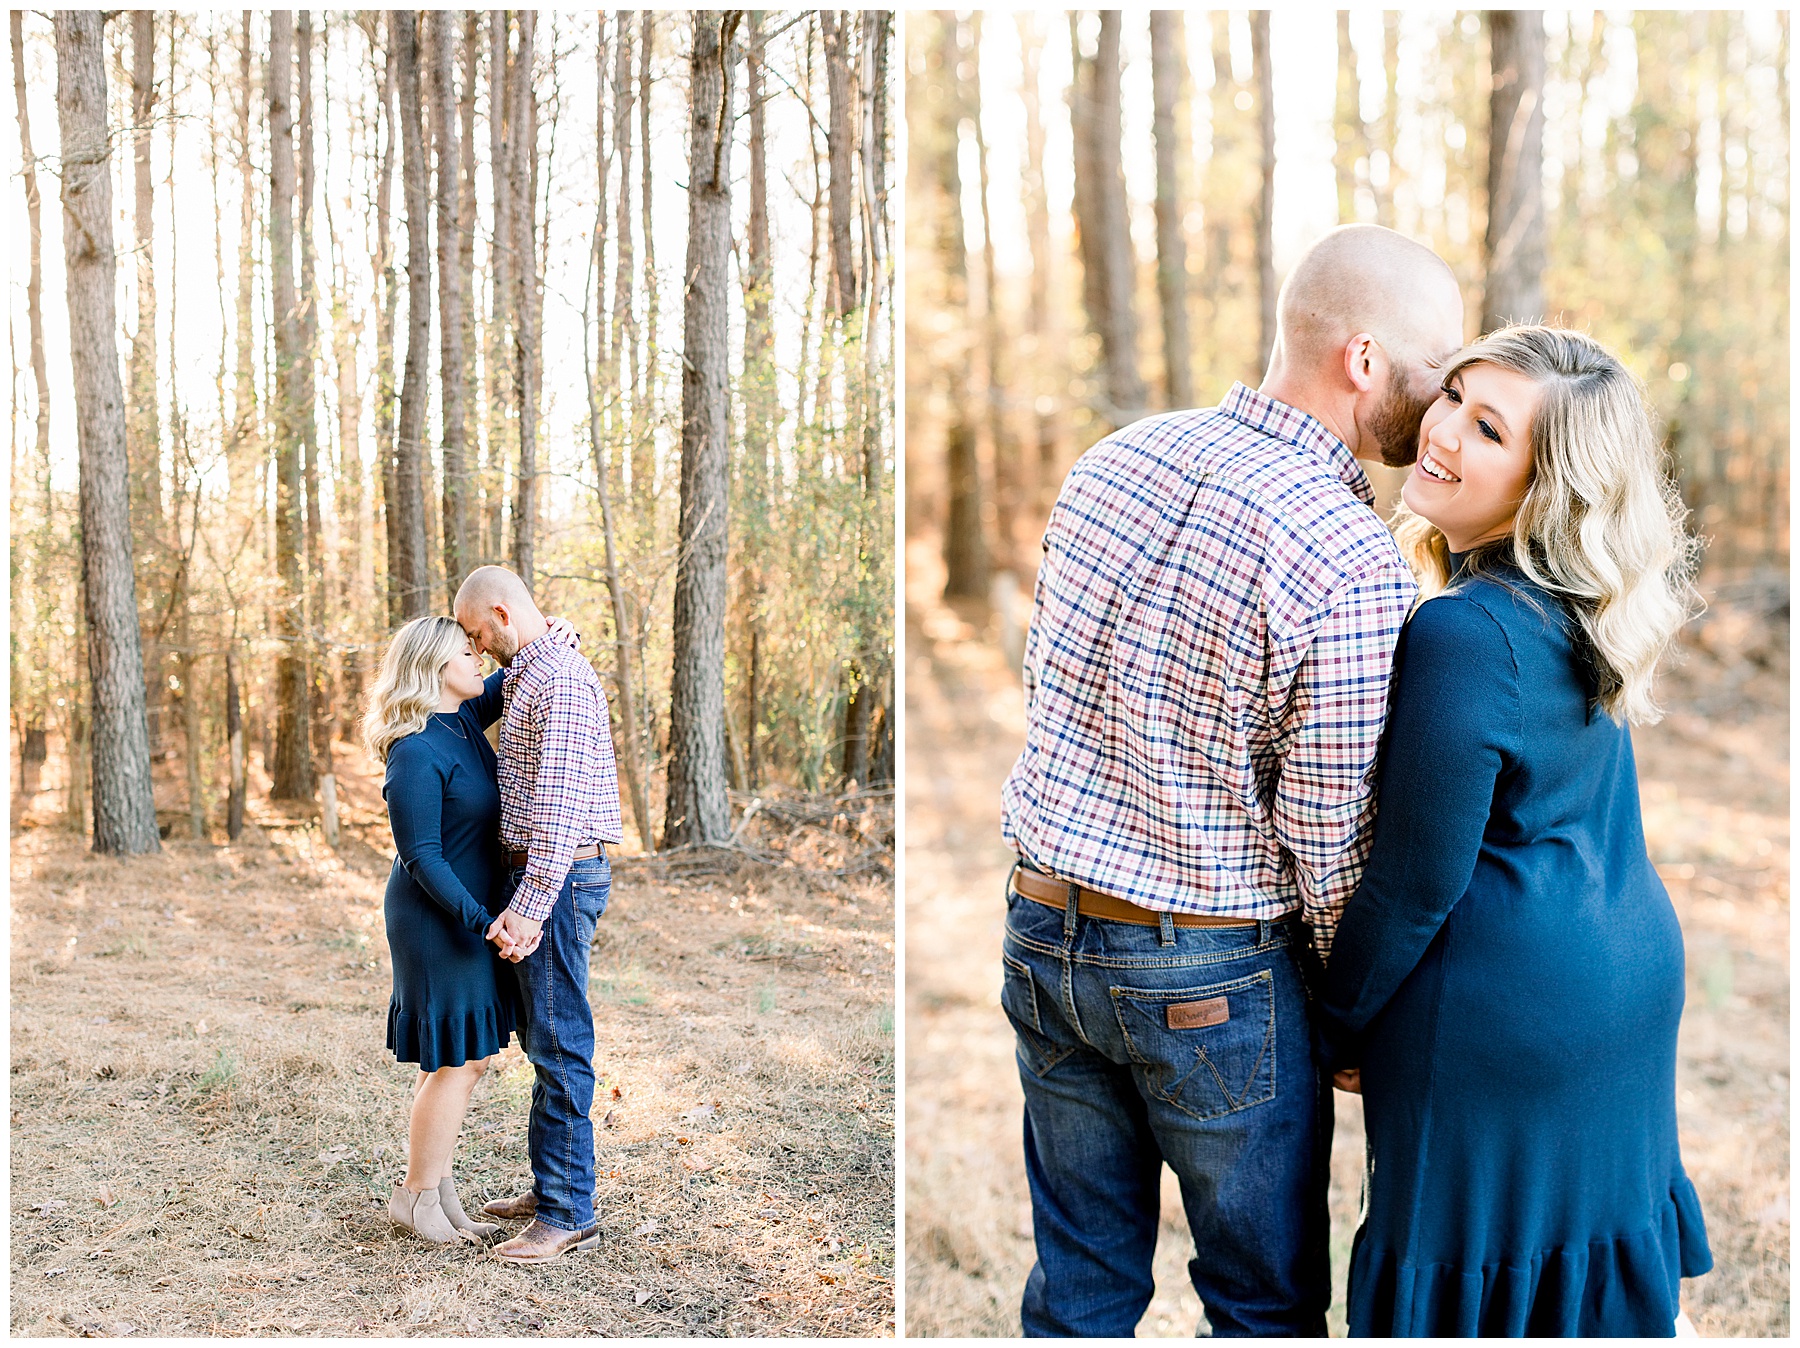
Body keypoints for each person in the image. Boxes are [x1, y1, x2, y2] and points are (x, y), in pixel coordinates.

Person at [998, 224, 1466, 1336]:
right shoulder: (1349, 553)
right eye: (1436, 367)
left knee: (1078, 1294)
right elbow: (1328, 828)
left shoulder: (1113, 459)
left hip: (1041, 930)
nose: (1443, 401)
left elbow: (1049, 685)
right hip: (1209, 972)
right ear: (1364, 359)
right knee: (1261, 1309)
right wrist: (1352, 1014)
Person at [1315, 325, 1711, 1337]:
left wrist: (1336, 1024)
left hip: (1504, 1019)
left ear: (1546, 488)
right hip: (1625, 980)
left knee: (1472, 1295)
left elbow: (1415, 882)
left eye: (1489, 429)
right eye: (1453, 396)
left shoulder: (1466, 631)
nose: (1440, 431)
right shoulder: (1581, 606)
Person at [364, 613, 581, 1245]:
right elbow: (421, 857)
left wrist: (552, 636)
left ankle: (437, 1191)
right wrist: (483, 921)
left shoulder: (459, 718)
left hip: (469, 914)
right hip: (436, 919)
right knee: (459, 1062)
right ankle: (416, 1198)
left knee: (463, 1059)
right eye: (466, 652)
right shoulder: (414, 750)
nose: (479, 657)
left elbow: (515, 671)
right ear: (435, 667)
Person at [453, 565, 624, 1266]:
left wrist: (530, 905)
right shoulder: (532, 668)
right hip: (536, 873)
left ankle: (568, 1212)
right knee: (541, 1040)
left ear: (501, 613)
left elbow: (557, 809)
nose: (475, 647)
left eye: (475, 633)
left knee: (559, 1044)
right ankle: (551, 1185)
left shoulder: (559, 680)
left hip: (558, 876)